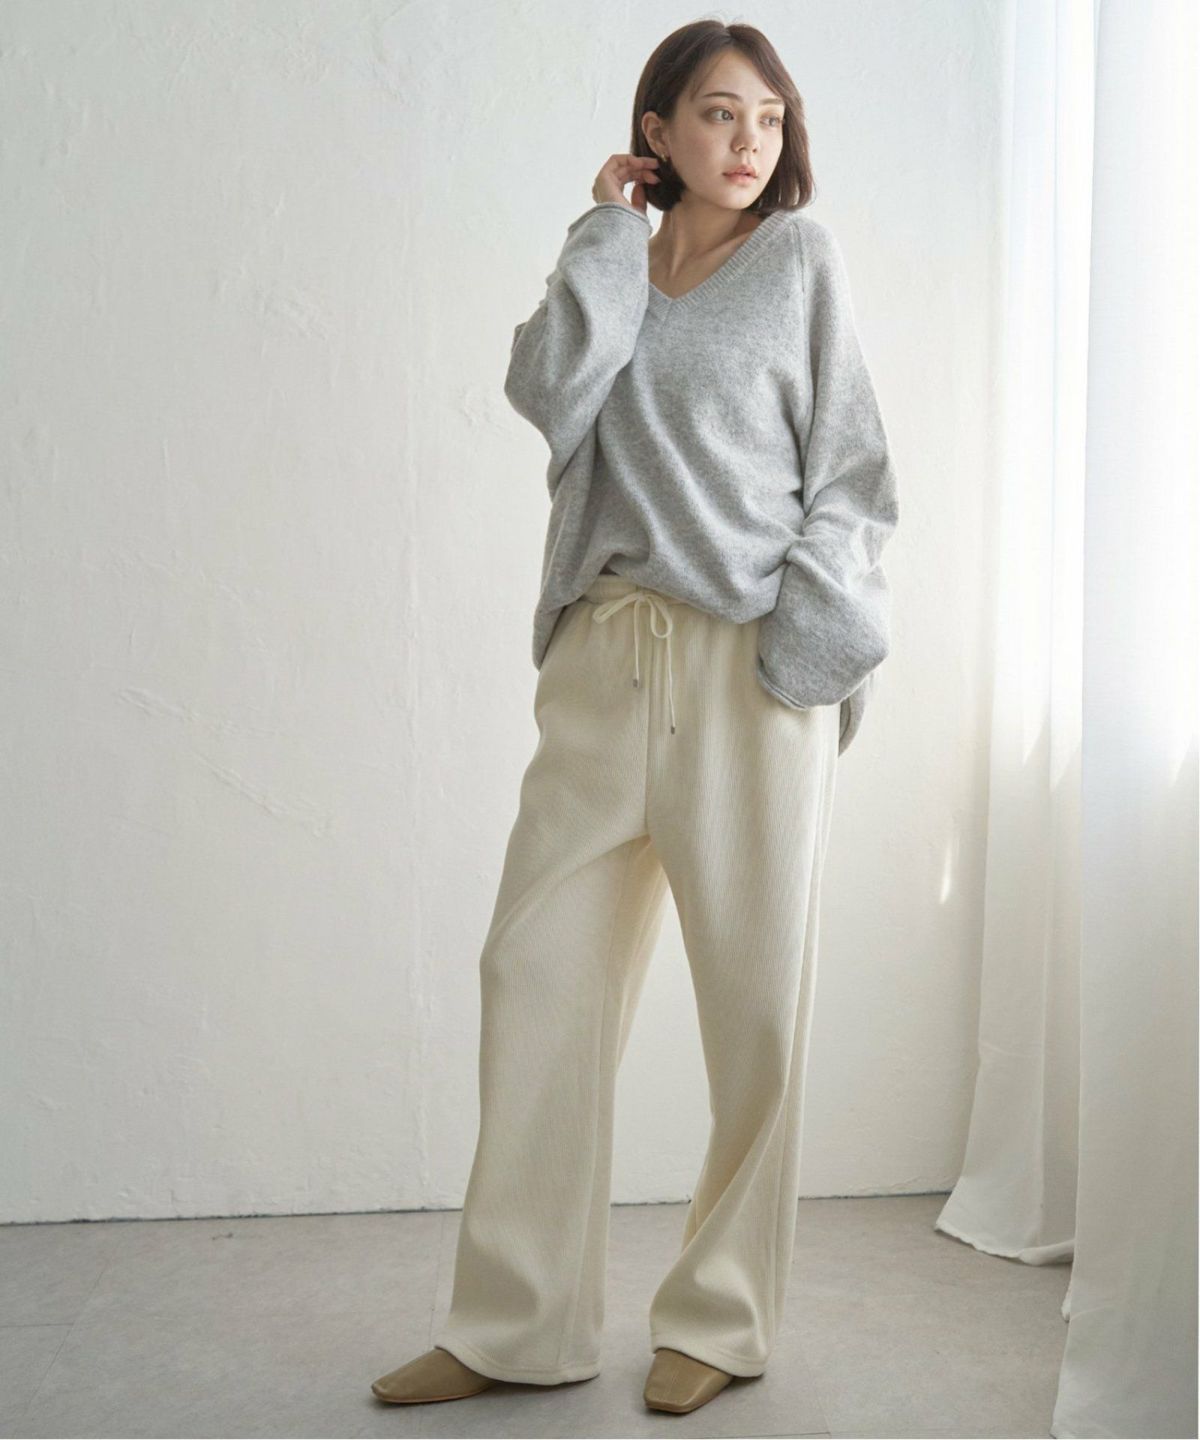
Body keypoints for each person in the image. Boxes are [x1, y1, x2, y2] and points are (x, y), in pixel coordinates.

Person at [371, 17, 899, 1417]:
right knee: (536, 977)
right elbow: (548, 392)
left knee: (755, 1012)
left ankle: (719, 1321)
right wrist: (609, 231)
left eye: (769, 119)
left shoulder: (800, 261)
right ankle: (514, 1324)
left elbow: (853, 474)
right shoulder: (609, 263)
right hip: (606, 664)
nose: (749, 142)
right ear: (656, 131)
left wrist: (804, 647)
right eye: (719, 114)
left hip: (748, 670)